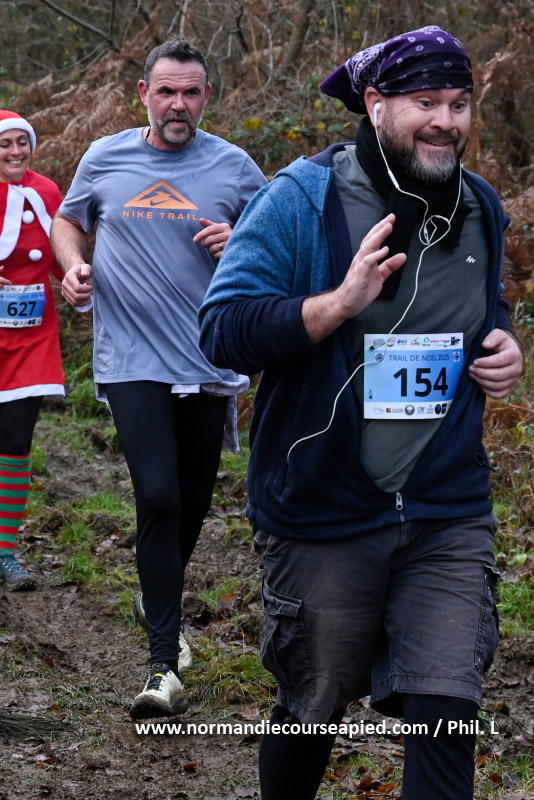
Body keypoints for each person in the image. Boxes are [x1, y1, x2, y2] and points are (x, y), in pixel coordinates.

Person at [199, 26, 523, 800]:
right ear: (376, 104)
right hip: (323, 506)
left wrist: (504, 345)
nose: (446, 121)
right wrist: (337, 304)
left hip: (446, 505)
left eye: (459, 103)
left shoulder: (480, 205)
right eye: (425, 102)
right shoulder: (300, 199)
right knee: (311, 707)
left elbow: (486, 308)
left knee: (447, 706)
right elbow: (223, 330)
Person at [51, 37, 266, 719]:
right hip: (131, 361)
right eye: (166, 91)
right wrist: (72, 266)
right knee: (159, 494)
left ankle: (157, 593)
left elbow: (279, 243)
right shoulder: (105, 157)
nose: (178, 104)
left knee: (192, 503)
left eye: (191, 92)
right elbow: (68, 220)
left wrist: (240, 241)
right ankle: (162, 667)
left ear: (207, 97)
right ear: (143, 94)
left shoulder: (234, 166)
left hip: (207, 360)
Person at [0, 110, 65, 591]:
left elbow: (64, 252)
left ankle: (4, 551)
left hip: (31, 336)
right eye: (5, 144)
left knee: (16, 442)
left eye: (22, 142)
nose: (15, 151)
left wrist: (80, 287)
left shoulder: (47, 192)